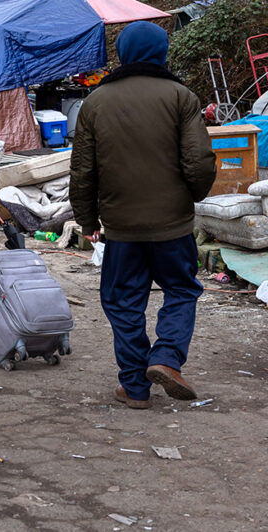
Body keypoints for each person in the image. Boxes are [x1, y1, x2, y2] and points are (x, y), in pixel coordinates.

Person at [69, 21, 216, 409]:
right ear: (162, 52)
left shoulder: (96, 102)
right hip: (173, 226)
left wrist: (87, 221)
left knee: (122, 300)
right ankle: (167, 358)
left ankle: (134, 387)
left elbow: (83, 171)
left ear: (125, 54)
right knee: (182, 290)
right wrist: (192, 197)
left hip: (121, 229)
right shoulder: (181, 97)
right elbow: (199, 161)